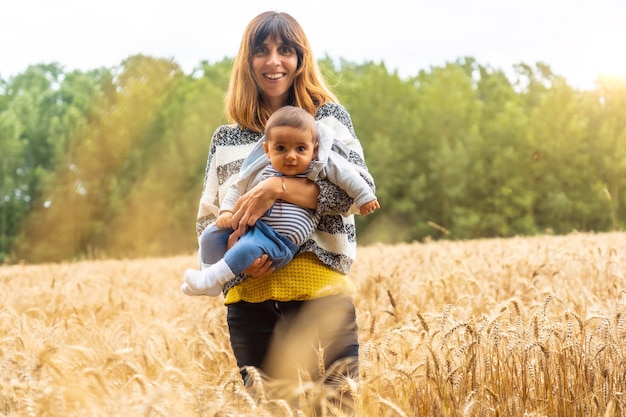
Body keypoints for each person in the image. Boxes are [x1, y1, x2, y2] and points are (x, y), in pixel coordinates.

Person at [188, 10, 375, 407]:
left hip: (320, 300)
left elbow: (352, 199)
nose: (274, 61)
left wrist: (277, 187)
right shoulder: (226, 138)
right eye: (262, 51)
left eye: (285, 50)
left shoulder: (327, 121)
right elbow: (208, 216)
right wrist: (235, 249)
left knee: (338, 409)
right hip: (250, 306)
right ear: (248, 61)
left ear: (300, 58)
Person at [181, 105, 379, 297]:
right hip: (252, 242)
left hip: (281, 242)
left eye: (301, 149)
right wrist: (225, 213)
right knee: (211, 233)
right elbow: (232, 192)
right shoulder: (257, 166)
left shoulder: (318, 164)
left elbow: (349, 178)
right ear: (267, 150)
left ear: (315, 149)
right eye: (281, 148)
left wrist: (364, 197)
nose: (291, 156)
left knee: (248, 248)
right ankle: (209, 279)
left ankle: (214, 277)